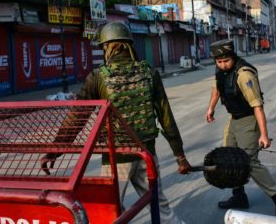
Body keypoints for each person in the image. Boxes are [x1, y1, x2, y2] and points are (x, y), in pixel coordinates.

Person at [41, 21, 191, 224]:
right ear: (129, 45)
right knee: (160, 208)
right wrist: (179, 156)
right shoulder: (149, 73)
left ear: (108, 47)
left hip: (115, 158)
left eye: (104, 47)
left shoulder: (97, 77)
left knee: (110, 213)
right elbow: (166, 117)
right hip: (146, 154)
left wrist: (55, 150)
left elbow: (77, 118)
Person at [205, 39, 276, 218]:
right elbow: (216, 90)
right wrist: (211, 108)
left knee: (249, 162)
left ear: (233, 56)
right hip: (233, 119)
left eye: (226, 61)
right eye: (219, 62)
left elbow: (257, 106)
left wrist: (264, 134)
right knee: (229, 160)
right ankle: (239, 196)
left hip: (248, 120)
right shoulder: (220, 70)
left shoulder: (244, 74)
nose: (223, 65)